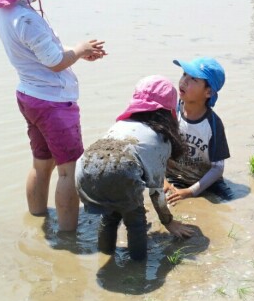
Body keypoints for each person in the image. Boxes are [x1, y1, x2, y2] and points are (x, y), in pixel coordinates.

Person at [0, 0, 106, 233]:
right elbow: (55, 61)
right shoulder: (28, 20)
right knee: (69, 171)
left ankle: (37, 218)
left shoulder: (6, 13)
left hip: (29, 96)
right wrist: (79, 50)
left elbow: (43, 54)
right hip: (54, 104)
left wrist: (76, 53)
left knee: (41, 164)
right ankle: (69, 237)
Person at [76, 76, 197, 260]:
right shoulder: (160, 139)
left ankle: (104, 255)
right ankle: (137, 272)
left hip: (84, 168)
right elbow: (156, 192)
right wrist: (168, 222)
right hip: (119, 171)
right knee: (136, 222)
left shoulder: (122, 125)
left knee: (110, 215)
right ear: (169, 113)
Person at [164, 57, 233, 203]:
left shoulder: (214, 124)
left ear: (208, 92)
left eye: (193, 79)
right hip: (174, 177)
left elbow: (217, 168)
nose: (184, 81)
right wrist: (162, 180)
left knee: (230, 201)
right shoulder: (171, 112)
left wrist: (190, 192)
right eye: (184, 74)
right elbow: (156, 149)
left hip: (205, 179)